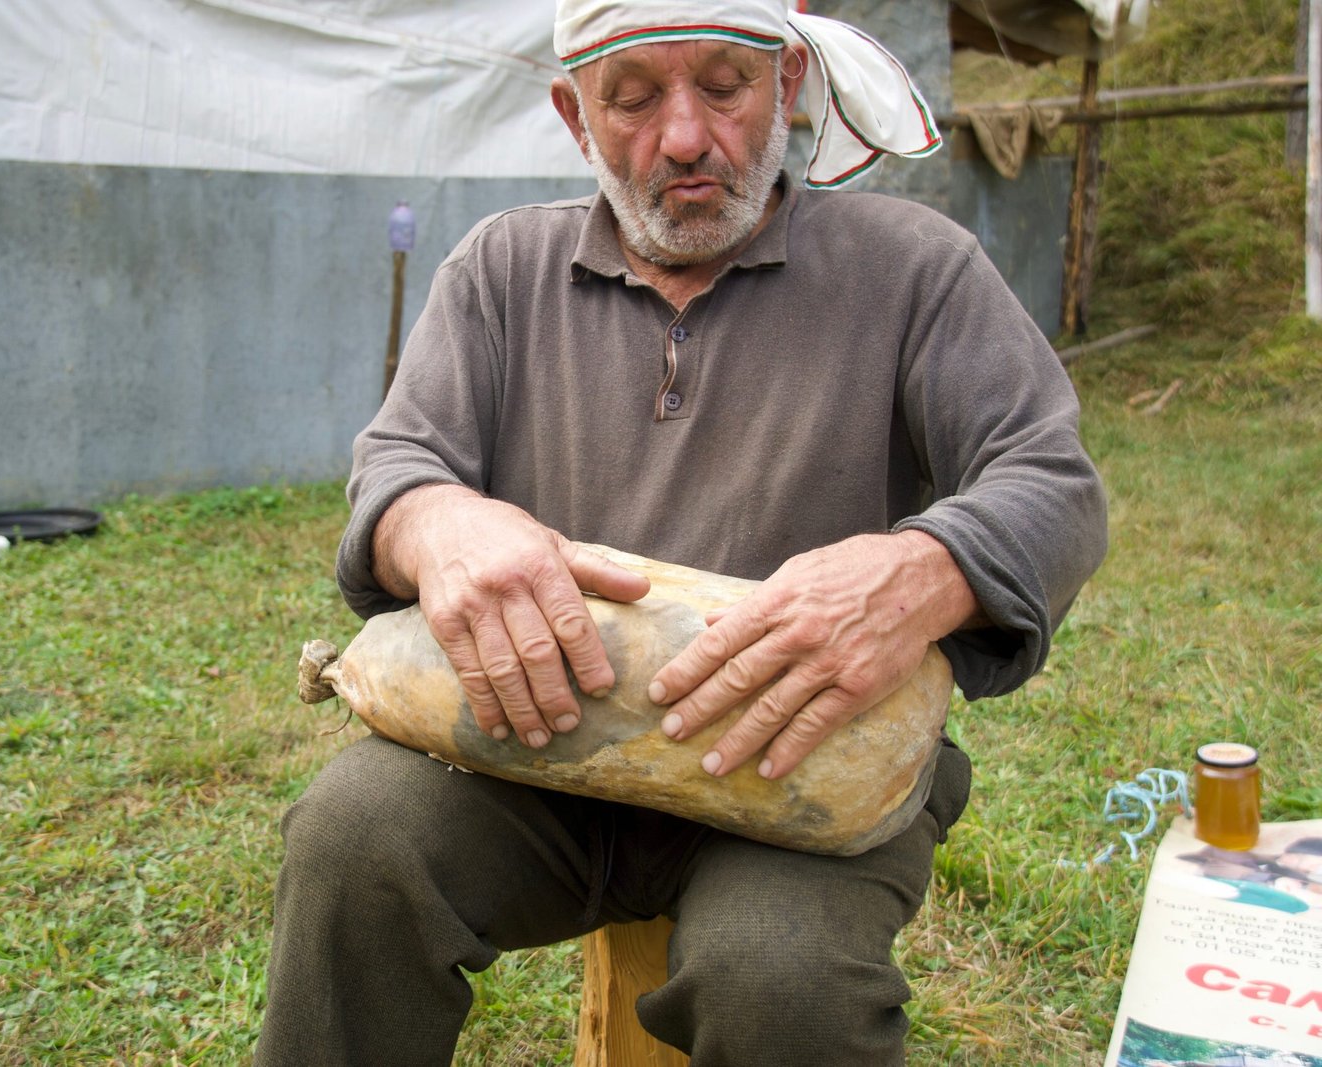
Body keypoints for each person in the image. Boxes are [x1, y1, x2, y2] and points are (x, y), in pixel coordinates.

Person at [254, 2, 1108, 1063]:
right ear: (575, 115)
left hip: (803, 771)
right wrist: (437, 523)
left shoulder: (913, 267)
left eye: (723, 85)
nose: (687, 136)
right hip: (534, 758)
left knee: (781, 974)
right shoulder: (499, 270)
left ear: (786, 86)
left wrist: (924, 567)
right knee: (352, 840)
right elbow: (397, 467)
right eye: (633, 97)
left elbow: (1053, 479)